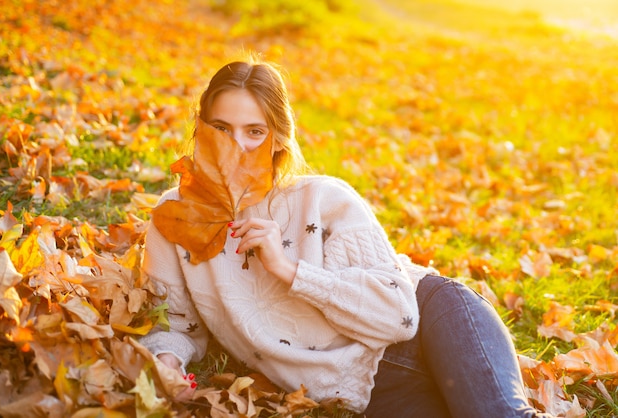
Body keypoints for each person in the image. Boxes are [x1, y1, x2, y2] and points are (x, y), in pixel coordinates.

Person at [139, 59, 553, 417]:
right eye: (221, 128)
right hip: (376, 388)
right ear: (200, 127)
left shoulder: (322, 199)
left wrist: (289, 270)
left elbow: (399, 315)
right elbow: (177, 323)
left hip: (434, 322)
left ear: (279, 138)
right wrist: (168, 359)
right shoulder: (174, 218)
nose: (236, 147)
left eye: (255, 132)